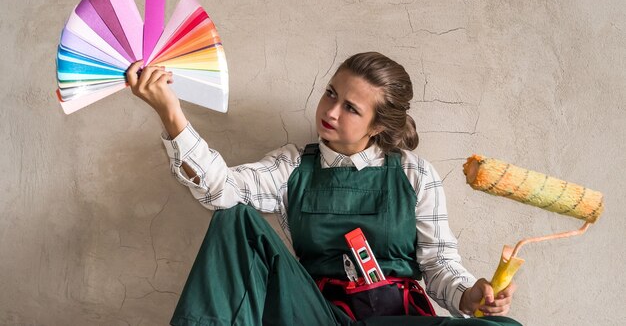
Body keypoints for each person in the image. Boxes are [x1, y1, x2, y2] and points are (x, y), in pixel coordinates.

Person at [127, 52, 521, 326]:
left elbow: (438, 266)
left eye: (351, 108)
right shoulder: (291, 166)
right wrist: (171, 112)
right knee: (234, 219)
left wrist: (471, 295)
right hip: (316, 314)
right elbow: (218, 190)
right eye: (331, 93)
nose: (330, 111)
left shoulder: (415, 175)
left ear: (379, 125)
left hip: (396, 319)